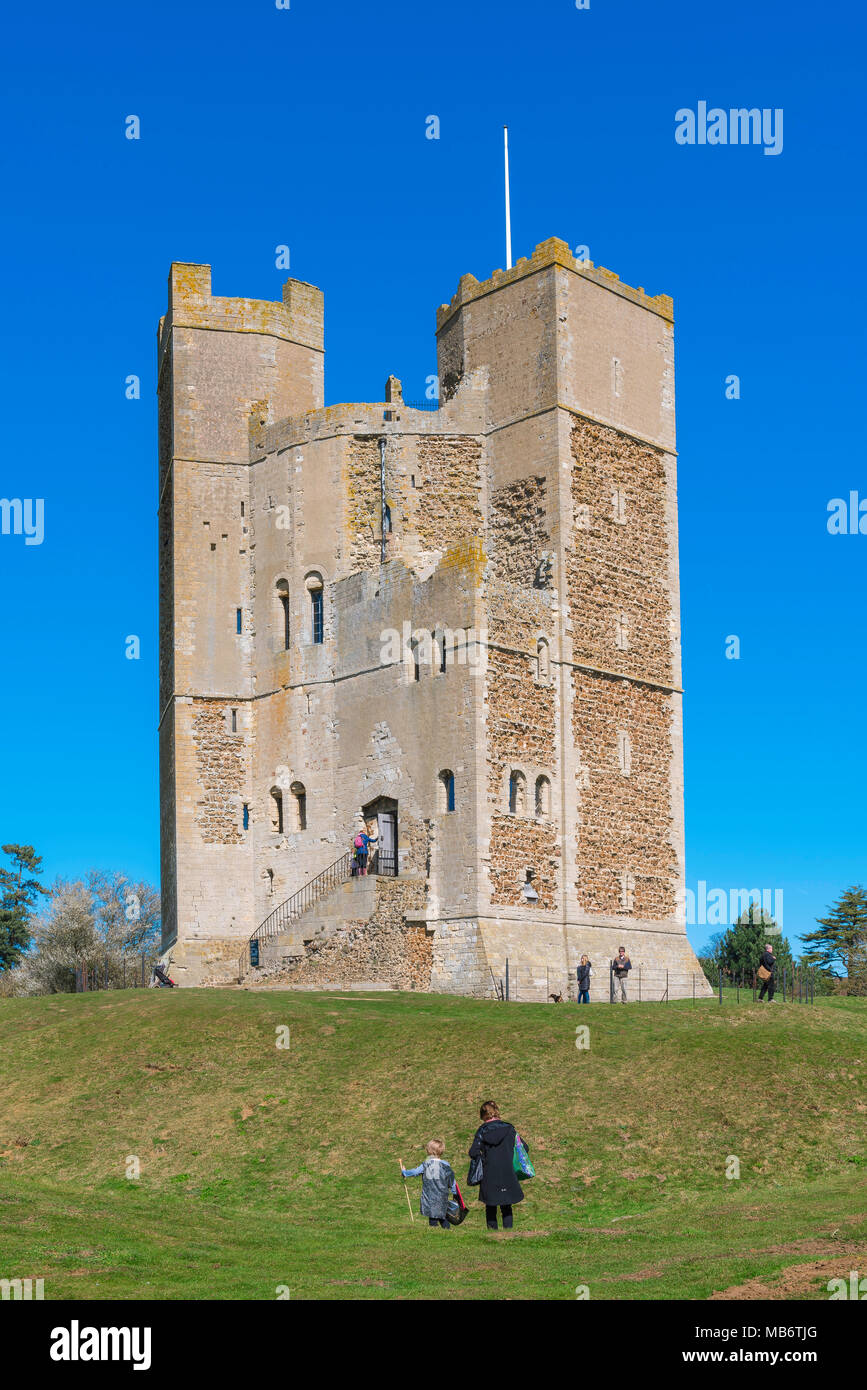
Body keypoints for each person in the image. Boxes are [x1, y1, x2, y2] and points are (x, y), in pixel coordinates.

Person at [469, 1100, 526, 1232]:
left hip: (489, 1173)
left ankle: (493, 1234)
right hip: (508, 1172)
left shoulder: (482, 1131)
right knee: (507, 1205)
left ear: (483, 1115)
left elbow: (473, 1152)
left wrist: (484, 1155)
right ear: (497, 1112)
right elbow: (524, 1148)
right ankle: (508, 1233)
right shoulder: (509, 1129)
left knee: (490, 1205)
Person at [399, 1140, 457, 1229]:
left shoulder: (426, 1164)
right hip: (442, 1196)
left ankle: (434, 1231)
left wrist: (405, 1172)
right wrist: (454, 1191)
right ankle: (447, 1230)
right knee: (442, 1215)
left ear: (429, 1151)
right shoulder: (446, 1165)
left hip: (430, 1196)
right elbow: (452, 1180)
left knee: (433, 1215)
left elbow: (415, 1172)